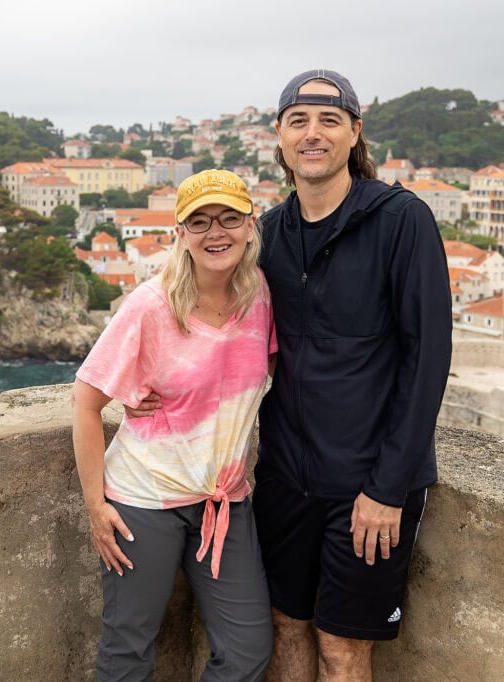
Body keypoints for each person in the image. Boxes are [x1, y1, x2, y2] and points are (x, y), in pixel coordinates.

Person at [130, 70, 453, 680]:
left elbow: (427, 361)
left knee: (342, 647)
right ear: (277, 137)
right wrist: (153, 387)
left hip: (369, 484)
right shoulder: (268, 233)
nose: (313, 134)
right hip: (282, 481)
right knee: (286, 629)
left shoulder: (401, 221)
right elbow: (214, 318)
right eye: (298, 121)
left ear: (354, 133)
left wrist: (389, 488)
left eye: (330, 121)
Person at [72, 169, 275, 681]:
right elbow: (85, 400)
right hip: (144, 501)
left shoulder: (261, 298)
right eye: (200, 221)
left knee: (248, 648)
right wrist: (97, 506)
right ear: (179, 234)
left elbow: (250, 377)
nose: (216, 233)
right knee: (128, 649)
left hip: (224, 501)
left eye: (230, 218)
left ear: (251, 226)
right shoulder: (151, 305)